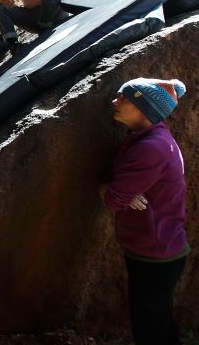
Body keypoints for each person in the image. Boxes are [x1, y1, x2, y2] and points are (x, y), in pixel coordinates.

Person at [99, 78, 189, 345]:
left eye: (124, 98)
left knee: (150, 329)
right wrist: (124, 190)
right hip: (160, 248)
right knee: (158, 321)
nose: (114, 102)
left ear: (143, 108)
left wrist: (107, 188)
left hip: (154, 252)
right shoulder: (152, 137)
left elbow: (114, 199)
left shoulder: (150, 148)